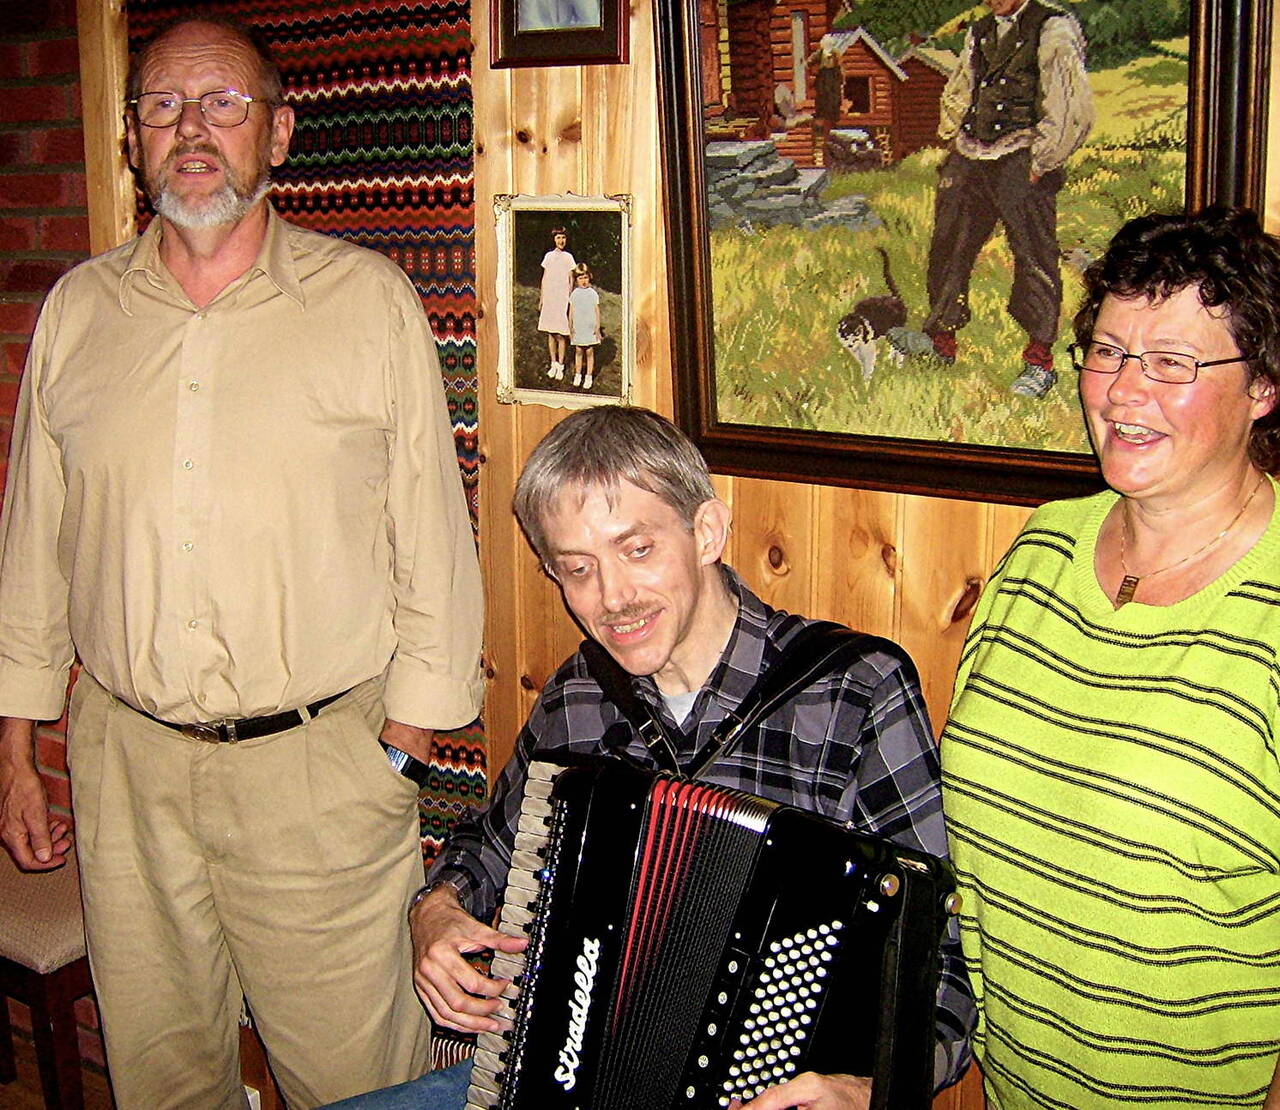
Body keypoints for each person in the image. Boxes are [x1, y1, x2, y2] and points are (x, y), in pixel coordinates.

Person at [0, 17, 484, 1109]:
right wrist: (18, 743)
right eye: (162, 108)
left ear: (279, 132)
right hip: (125, 766)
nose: (193, 131)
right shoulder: (78, 314)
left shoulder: (367, 305)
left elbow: (434, 551)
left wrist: (395, 757)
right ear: (131, 140)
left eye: (225, 105)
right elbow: (34, 541)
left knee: (355, 1081)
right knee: (163, 1076)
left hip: (319, 770)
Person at [325, 406, 974, 1110]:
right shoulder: (578, 698)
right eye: (577, 569)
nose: (613, 599)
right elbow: (490, 847)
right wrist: (437, 908)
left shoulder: (855, 692)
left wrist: (868, 1090)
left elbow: (941, 967)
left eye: (637, 550)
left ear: (706, 532)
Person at [941, 207, 1280, 1107]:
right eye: (1108, 351)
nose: (1123, 391)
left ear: (1263, 388)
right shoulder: (1039, 550)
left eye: (1173, 362)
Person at [922, 0, 1093, 399]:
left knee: (1033, 254)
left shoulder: (1052, 28)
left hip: (1022, 154)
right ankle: (941, 342)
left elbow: (1069, 105)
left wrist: (1042, 161)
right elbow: (962, 86)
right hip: (971, 152)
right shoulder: (980, 30)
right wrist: (953, 137)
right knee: (949, 244)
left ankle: (1039, 361)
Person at [537, 227, 575, 381]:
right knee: (550, 332)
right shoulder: (549, 256)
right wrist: (542, 298)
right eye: (558, 238)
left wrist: (570, 298)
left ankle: (561, 365)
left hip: (562, 297)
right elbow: (544, 278)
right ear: (554, 239)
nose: (561, 241)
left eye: (563, 238)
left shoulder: (568, 257)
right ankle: (553, 363)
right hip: (550, 296)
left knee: (560, 333)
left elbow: (571, 279)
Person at [567, 262, 601, 389]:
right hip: (578, 327)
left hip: (589, 327)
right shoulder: (574, 294)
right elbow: (571, 311)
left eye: (585, 277)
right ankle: (578, 374)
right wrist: (570, 327)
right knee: (579, 351)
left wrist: (597, 327)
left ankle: (588, 376)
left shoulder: (592, 293)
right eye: (580, 278)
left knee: (590, 351)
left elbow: (597, 311)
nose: (583, 281)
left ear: (589, 277)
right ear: (576, 280)